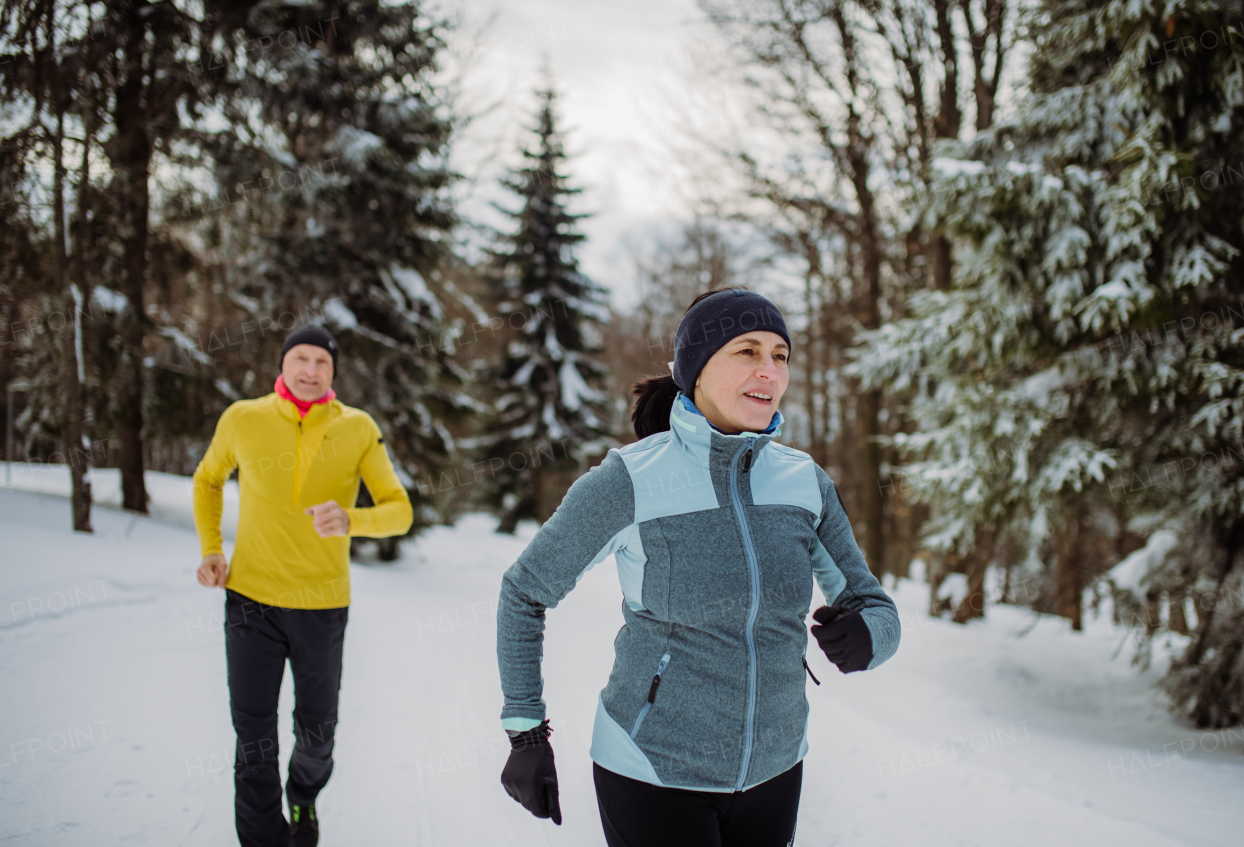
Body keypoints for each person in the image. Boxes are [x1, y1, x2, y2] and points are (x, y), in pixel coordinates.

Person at [495, 287, 902, 846]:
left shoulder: (803, 482)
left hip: (776, 769)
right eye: (747, 351)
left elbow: (874, 605)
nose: (769, 370)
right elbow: (524, 592)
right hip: (653, 769)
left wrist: (871, 635)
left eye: (780, 355)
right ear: (697, 368)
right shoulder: (628, 481)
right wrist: (525, 734)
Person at [192, 325, 412, 847]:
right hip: (250, 603)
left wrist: (351, 519)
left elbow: (400, 511)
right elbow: (207, 479)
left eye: (323, 363)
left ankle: (304, 798)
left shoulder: (358, 428)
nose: (311, 371)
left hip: (322, 607)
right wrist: (211, 549)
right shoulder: (244, 418)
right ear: (284, 363)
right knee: (253, 739)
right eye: (302, 359)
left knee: (316, 737)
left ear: (334, 372)